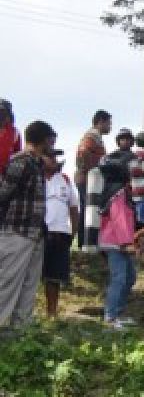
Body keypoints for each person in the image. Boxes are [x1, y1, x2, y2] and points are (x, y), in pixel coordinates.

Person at [0, 121, 56, 328]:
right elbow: (3, 195)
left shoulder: (36, 163)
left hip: (33, 233)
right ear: (43, 139)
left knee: (29, 285)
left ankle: (20, 329)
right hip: (17, 231)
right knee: (8, 282)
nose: (52, 143)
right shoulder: (21, 162)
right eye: (51, 138)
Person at [96, 154, 138, 329]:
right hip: (116, 242)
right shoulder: (118, 193)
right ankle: (110, 317)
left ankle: (117, 312)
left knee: (129, 277)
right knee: (119, 278)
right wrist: (126, 243)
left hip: (117, 240)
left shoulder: (114, 190)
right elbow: (119, 218)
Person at [41, 152, 79, 319]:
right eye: (50, 157)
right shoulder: (36, 178)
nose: (53, 160)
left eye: (55, 157)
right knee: (30, 275)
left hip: (61, 233)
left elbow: (74, 207)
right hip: (39, 233)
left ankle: (52, 313)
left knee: (54, 277)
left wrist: (73, 232)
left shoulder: (64, 178)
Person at [74, 109, 110, 247]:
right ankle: (85, 242)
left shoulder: (96, 136)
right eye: (108, 124)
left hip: (88, 178)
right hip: (87, 179)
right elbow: (83, 152)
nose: (110, 127)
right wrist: (88, 170)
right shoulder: (92, 136)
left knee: (89, 210)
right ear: (100, 122)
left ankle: (86, 242)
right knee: (87, 210)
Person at [0, 99, 21, 174]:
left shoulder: (15, 133)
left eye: (4, 113)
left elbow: (17, 156)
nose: (1, 116)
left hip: (6, 177)